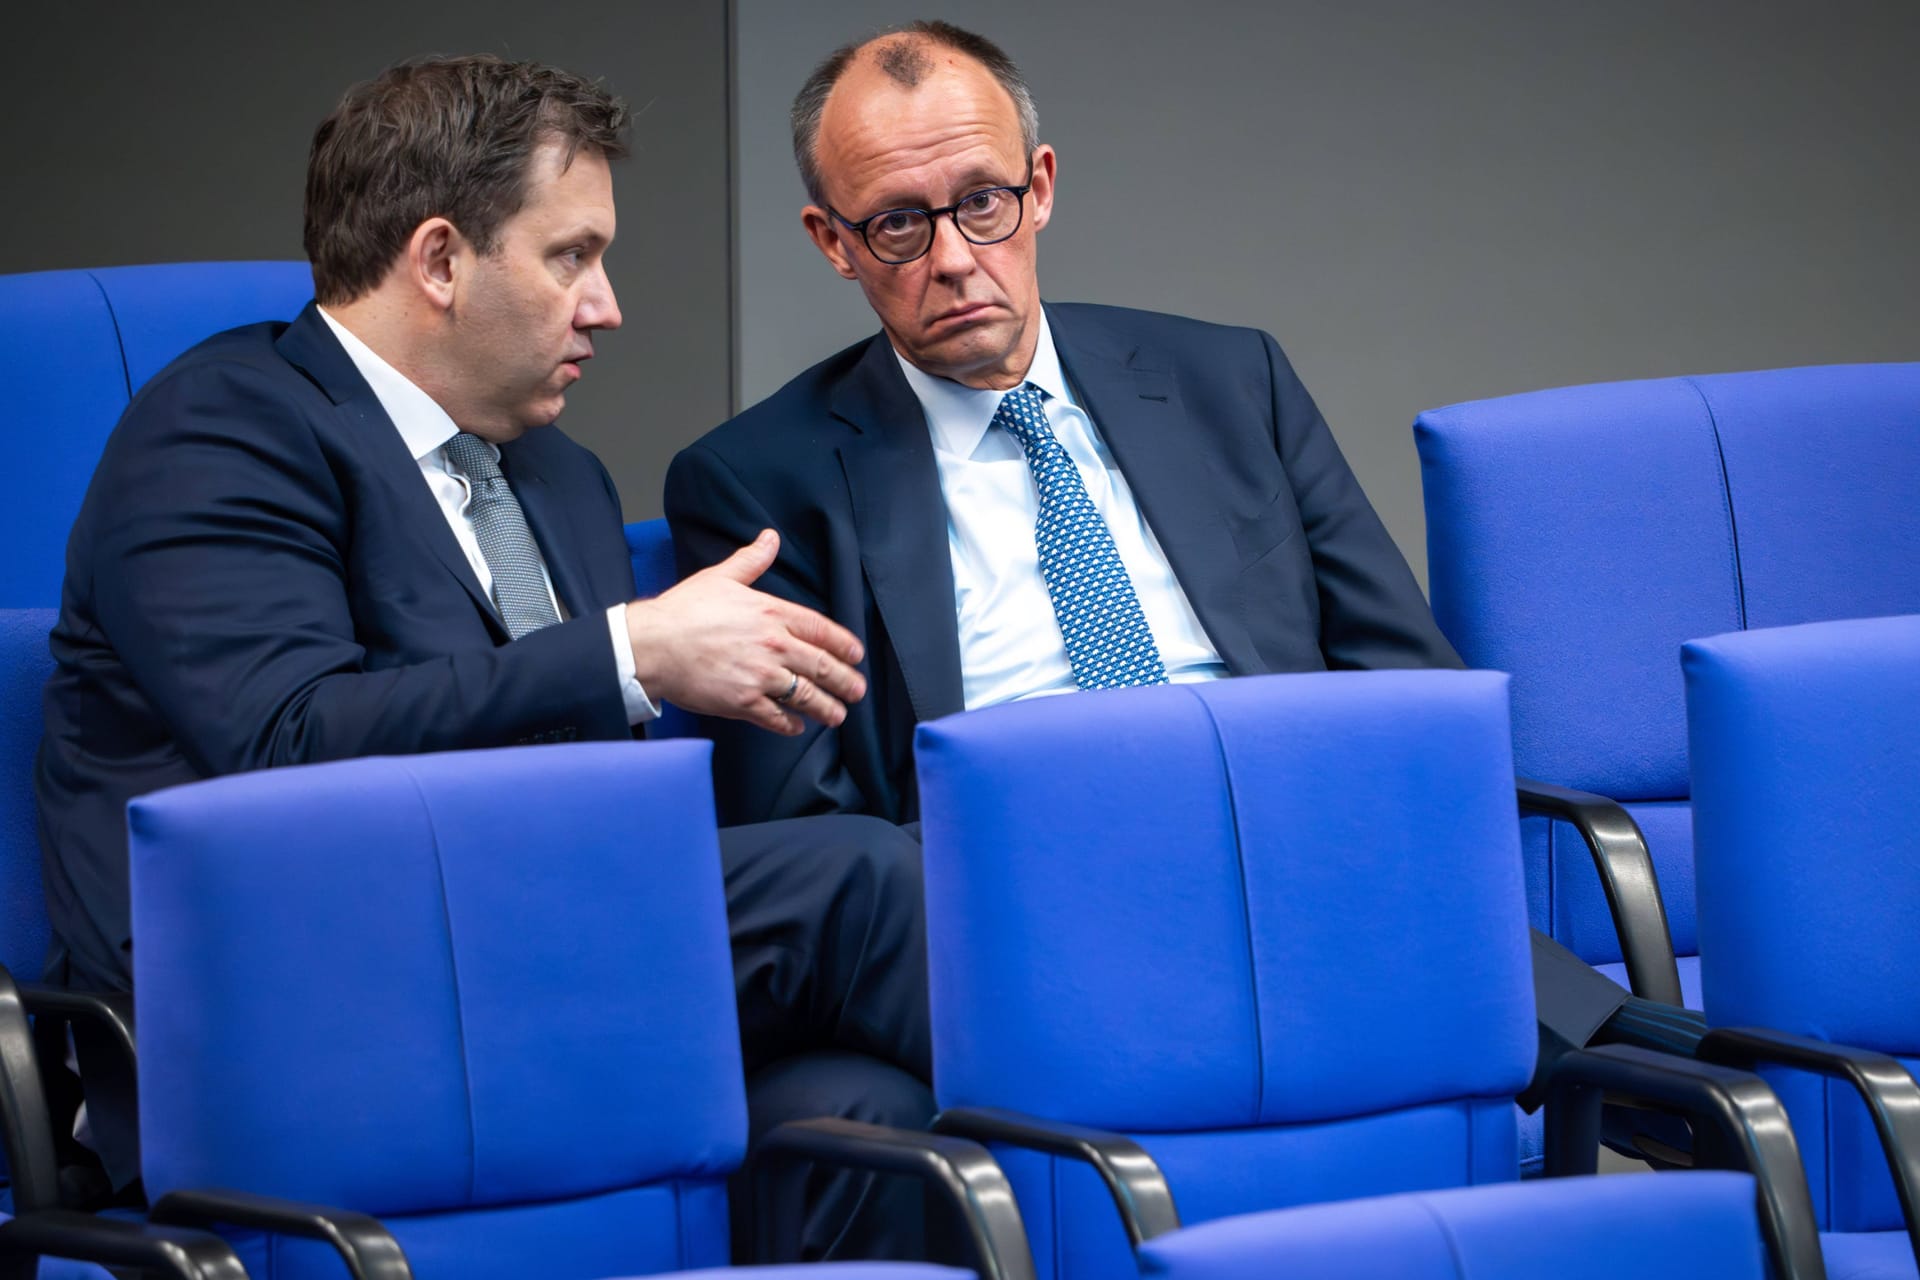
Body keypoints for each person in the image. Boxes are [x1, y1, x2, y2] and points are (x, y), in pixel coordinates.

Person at [665, 20, 1705, 1128]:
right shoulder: (759, 480)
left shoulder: (1226, 379)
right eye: (897, 226)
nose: (956, 257)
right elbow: (818, 838)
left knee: (1710, 1082)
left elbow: (1407, 686)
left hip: (1288, 830)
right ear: (834, 241)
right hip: (1038, 897)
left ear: (1043, 186)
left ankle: (1701, 1089)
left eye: (983, 202)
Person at [37, 55, 932, 1252]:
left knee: (859, 1112)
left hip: (525, 953)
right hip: (302, 995)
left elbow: (588, 802)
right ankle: (1141, 1140)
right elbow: (288, 740)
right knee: (860, 880)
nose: (608, 303)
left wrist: (664, 670)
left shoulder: (559, 474)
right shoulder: (221, 428)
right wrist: (632, 651)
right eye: (572, 256)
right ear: (442, 258)